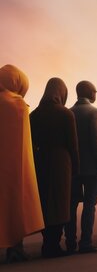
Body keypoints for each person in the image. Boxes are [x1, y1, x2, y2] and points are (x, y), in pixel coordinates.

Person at [30, 78, 79, 258]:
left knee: (44, 202)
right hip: (61, 162)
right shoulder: (65, 114)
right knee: (60, 203)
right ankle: (54, 245)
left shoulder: (34, 115)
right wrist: (76, 168)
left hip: (40, 160)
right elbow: (73, 145)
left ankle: (46, 243)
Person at [0, 65, 44, 262]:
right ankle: (15, 249)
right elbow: (22, 145)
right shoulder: (18, 106)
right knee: (14, 204)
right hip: (12, 168)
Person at [65, 81, 97, 254]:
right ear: (90, 93)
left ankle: (70, 243)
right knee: (90, 205)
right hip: (92, 168)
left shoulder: (68, 112)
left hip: (73, 168)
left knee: (71, 205)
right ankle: (86, 242)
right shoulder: (95, 113)